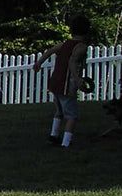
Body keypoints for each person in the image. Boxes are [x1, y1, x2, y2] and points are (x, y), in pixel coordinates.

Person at [33, 15, 91, 147]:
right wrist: (78, 79)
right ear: (87, 31)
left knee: (59, 111)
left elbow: (50, 51)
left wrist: (39, 63)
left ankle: (54, 136)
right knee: (72, 115)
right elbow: (72, 62)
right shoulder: (81, 47)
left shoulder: (65, 44)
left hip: (55, 82)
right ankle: (66, 143)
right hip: (66, 85)